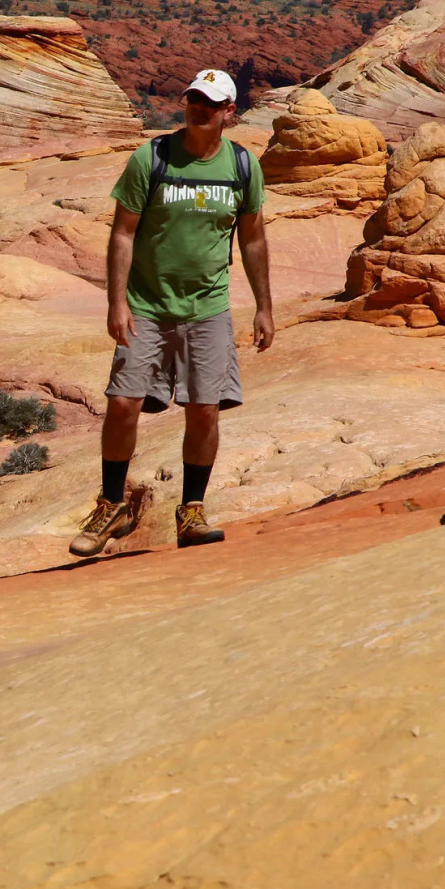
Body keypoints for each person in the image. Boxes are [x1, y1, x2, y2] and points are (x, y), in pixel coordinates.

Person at [69, 68, 274, 556]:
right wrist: (115, 301)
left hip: (208, 307)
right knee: (123, 402)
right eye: (192, 99)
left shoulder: (243, 166)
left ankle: (192, 512)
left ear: (229, 112)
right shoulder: (152, 157)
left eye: (210, 102)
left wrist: (265, 306)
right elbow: (123, 231)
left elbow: (252, 237)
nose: (198, 108)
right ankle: (112, 504)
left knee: (204, 410)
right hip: (147, 304)